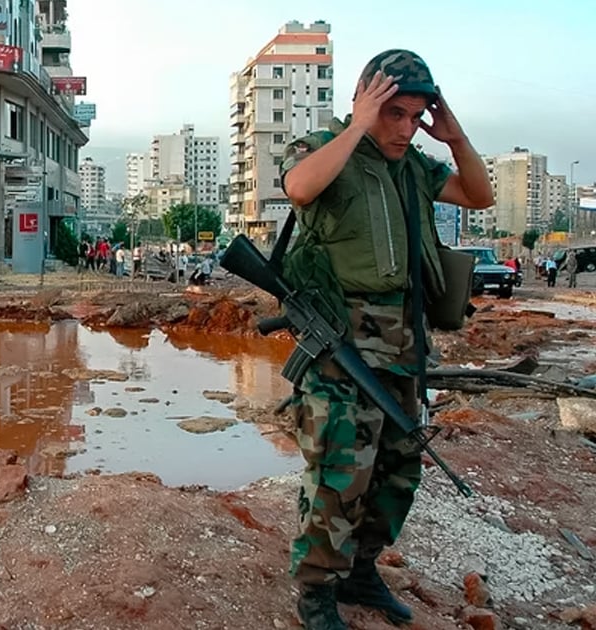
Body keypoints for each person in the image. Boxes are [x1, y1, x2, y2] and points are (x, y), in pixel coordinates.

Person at [279, 50, 494, 629]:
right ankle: (317, 591)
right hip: (341, 345)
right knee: (341, 469)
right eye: (392, 114)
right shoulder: (325, 149)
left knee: (400, 466)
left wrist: (453, 137)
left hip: (404, 345)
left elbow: (480, 195)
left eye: (414, 116)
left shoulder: (414, 168)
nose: (404, 128)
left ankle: (362, 572)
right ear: (364, 102)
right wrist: (356, 125)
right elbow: (298, 187)